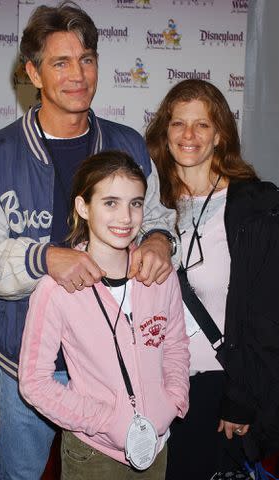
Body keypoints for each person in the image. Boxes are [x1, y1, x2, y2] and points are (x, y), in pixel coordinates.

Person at [0, 2, 179, 479]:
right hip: (28, 370)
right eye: (60, 62)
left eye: (86, 59)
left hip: (115, 369)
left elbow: (158, 216)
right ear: (32, 71)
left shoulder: (128, 144)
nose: (78, 74)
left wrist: (158, 239)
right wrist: (42, 258)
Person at [18, 150, 190, 480]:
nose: (126, 217)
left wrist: (172, 402)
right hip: (93, 451)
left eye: (135, 203)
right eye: (110, 203)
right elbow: (34, 382)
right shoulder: (56, 289)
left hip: (156, 442)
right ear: (84, 207)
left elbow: (176, 346)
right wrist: (105, 421)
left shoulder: (159, 275)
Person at [145, 78, 279, 479]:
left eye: (201, 125)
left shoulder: (255, 207)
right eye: (178, 124)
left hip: (219, 386)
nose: (189, 135)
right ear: (163, 134)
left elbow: (267, 314)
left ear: (219, 134)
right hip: (156, 386)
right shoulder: (150, 205)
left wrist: (241, 398)